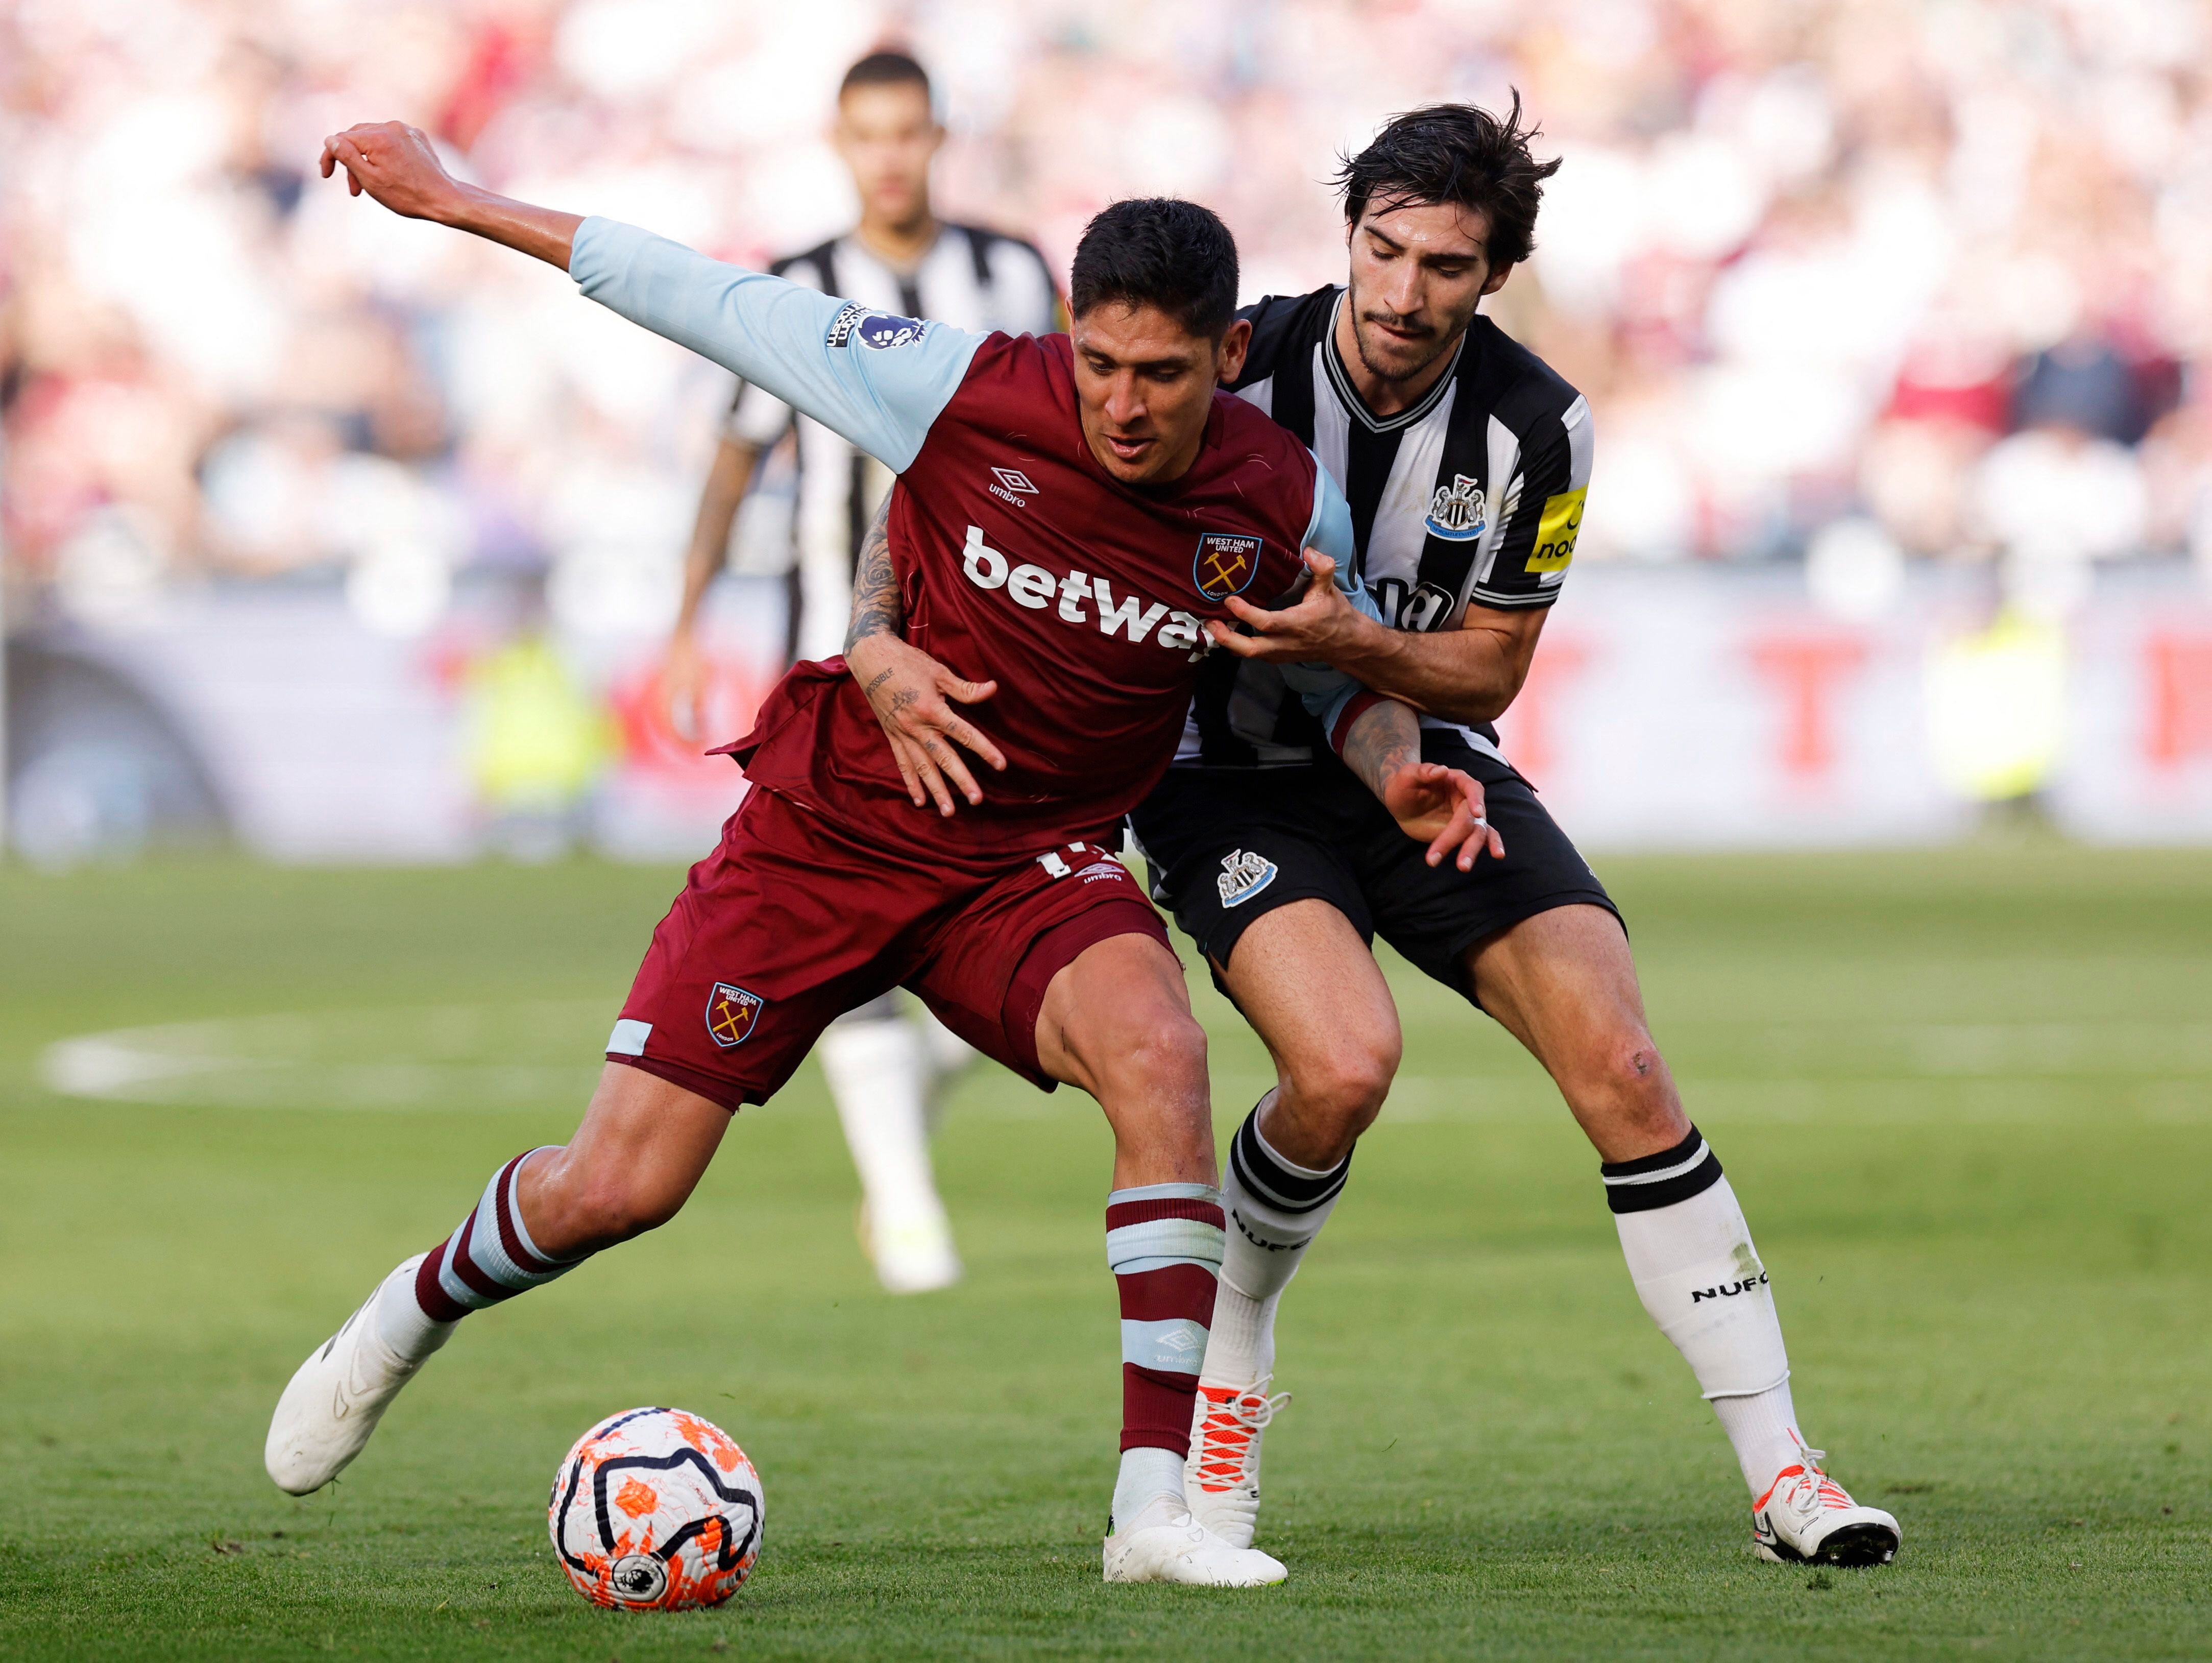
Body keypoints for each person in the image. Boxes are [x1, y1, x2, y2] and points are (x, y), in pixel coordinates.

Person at [269, 118, 1494, 1589]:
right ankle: (410, 1308)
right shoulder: (962, 384)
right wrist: (456, 201)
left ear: (1225, 355)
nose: (1118, 404)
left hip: (1028, 861)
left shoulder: (1278, 496)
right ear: (1064, 338)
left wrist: (1396, 767)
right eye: (1096, 364)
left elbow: (1322, 671)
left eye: (1157, 374)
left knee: (1164, 1061)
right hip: (829, 834)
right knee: (620, 1188)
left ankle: (1150, 1516)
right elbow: (703, 294)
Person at [1126, 101, 1902, 1570]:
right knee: (1342, 1067)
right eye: (1382, 248)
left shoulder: (1537, 426)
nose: (1402, 294)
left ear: (1494, 276)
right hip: (1221, 779)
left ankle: (1782, 1470)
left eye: (1443, 266)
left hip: (1431, 765)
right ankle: (1232, 1358)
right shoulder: (1231, 364)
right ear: (1346, 233)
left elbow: (1486, 669)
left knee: (1624, 1064)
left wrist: (1355, 648)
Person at [666, 49, 1062, 1298]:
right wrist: (684, 623)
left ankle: (911, 1128)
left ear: (937, 138)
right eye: (868, 135)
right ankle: (903, 1211)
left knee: (991, 908)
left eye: (908, 133)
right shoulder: (792, 288)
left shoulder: (1012, 273)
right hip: (835, 659)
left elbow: (1068, 447)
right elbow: (735, 462)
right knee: (847, 925)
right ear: (842, 145)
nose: (890, 156)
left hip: (986, 651)